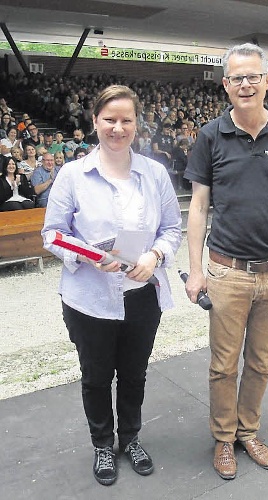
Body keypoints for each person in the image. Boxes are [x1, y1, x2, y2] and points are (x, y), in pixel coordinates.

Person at [184, 43, 268, 480]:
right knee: (223, 364)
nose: (245, 84)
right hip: (227, 272)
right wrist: (197, 269)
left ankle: (248, 430)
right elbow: (199, 207)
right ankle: (224, 438)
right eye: (236, 77)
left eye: (252, 76)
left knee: (260, 362)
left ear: (267, 81)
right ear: (225, 85)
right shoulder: (210, 135)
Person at [41, 85, 182, 487]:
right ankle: (103, 443)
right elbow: (52, 233)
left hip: (141, 296)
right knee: (97, 376)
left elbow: (171, 228)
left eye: (126, 120)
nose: (117, 128)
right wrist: (88, 255)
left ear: (137, 124)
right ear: (95, 122)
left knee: (134, 374)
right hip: (89, 298)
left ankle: (131, 438)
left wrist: (154, 257)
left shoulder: (154, 174)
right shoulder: (73, 175)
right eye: (109, 120)